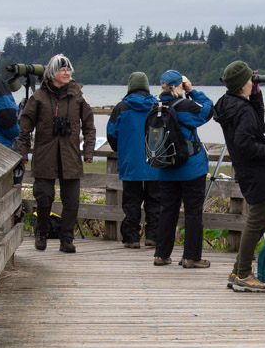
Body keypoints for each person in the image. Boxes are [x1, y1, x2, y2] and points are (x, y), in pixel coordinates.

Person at [213, 61, 265, 292]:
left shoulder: (231, 105)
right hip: (257, 172)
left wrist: (256, 95)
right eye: (250, 80)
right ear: (243, 83)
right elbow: (245, 143)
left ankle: (238, 270)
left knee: (261, 220)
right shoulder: (241, 110)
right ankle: (243, 274)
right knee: (256, 220)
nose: (252, 82)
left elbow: (257, 123)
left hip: (248, 172)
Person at [17, 54, 96, 254]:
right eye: (62, 70)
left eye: (68, 70)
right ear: (53, 73)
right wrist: (23, 152)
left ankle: (66, 239)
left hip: (70, 156)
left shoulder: (77, 96)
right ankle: (41, 232)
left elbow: (89, 125)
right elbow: (25, 126)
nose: (67, 73)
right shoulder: (38, 97)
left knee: (72, 201)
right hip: (45, 155)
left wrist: (88, 150)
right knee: (44, 197)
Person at [152, 69, 214, 268]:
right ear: (180, 85)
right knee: (193, 211)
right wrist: (193, 90)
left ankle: (161, 255)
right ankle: (191, 257)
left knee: (167, 210)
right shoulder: (185, 106)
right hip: (191, 167)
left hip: (165, 165)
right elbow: (208, 110)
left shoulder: (155, 106)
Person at [107, 72, 161, 248]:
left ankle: (131, 237)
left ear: (130, 86)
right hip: (155, 162)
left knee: (131, 202)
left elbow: (111, 133)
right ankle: (153, 235)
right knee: (155, 201)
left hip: (130, 162)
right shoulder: (157, 106)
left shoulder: (121, 107)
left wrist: (121, 149)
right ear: (146, 86)